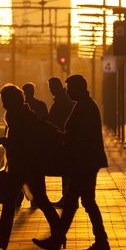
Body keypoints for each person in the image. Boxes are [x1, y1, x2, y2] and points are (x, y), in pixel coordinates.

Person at [33, 74, 110, 250]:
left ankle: (98, 241)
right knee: (76, 202)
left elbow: (77, 136)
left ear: (78, 88)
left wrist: (57, 134)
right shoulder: (85, 105)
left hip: (84, 162)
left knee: (82, 202)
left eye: (70, 88)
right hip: (84, 162)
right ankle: (60, 240)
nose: (67, 92)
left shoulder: (85, 107)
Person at [0, 84, 62, 250]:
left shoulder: (16, 115)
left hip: (24, 165)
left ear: (11, 100)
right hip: (28, 165)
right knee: (38, 201)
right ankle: (0, 241)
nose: (3, 104)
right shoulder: (25, 113)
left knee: (17, 203)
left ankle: (0, 242)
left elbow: (22, 141)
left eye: (4, 100)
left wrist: (5, 141)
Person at [47, 77, 74, 208]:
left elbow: (58, 120)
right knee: (66, 170)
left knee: (66, 170)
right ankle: (67, 197)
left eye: (52, 88)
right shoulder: (62, 100)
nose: (51, 90)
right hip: (64, 139)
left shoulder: (62, 102)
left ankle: (68, 198)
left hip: (64, 140)